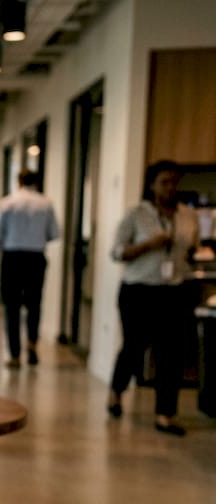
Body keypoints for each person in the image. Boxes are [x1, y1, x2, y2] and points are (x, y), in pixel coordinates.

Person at [106, 160, 196, 437]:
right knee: (134, 346)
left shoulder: (187, 215)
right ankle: (116, 391)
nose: (170, 188)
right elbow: (117, 253)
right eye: (164, 182)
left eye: (174, 182)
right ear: (152, 185)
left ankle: (165, 414)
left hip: (174, 290)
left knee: (171, 353)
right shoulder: (136, 215)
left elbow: (191, 250)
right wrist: (149, 245)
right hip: (139, 290)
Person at [0, 169, 59, 368]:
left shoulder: (8, 202)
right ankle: (32, 344)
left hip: (12, 257)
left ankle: (14, 354)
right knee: (34, 305)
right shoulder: (45, 203)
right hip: (35, 257)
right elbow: (55, 233)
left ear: (19, 181)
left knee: (12, 308)